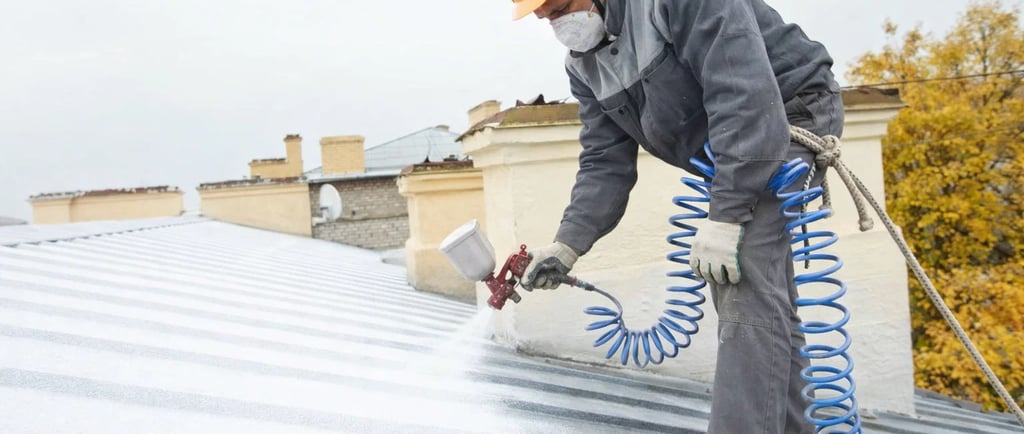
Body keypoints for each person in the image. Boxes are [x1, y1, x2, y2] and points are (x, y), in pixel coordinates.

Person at [513, 0, 845, 433]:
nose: (557, 23)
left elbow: (743, 96)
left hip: (784, 117)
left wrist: (727, 215)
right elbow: (604, 162)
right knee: (764, 302)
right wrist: (567, 244)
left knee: (740, 276)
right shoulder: (584, 66)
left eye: (561, 8)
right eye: (546, 17)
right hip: (734, 142)